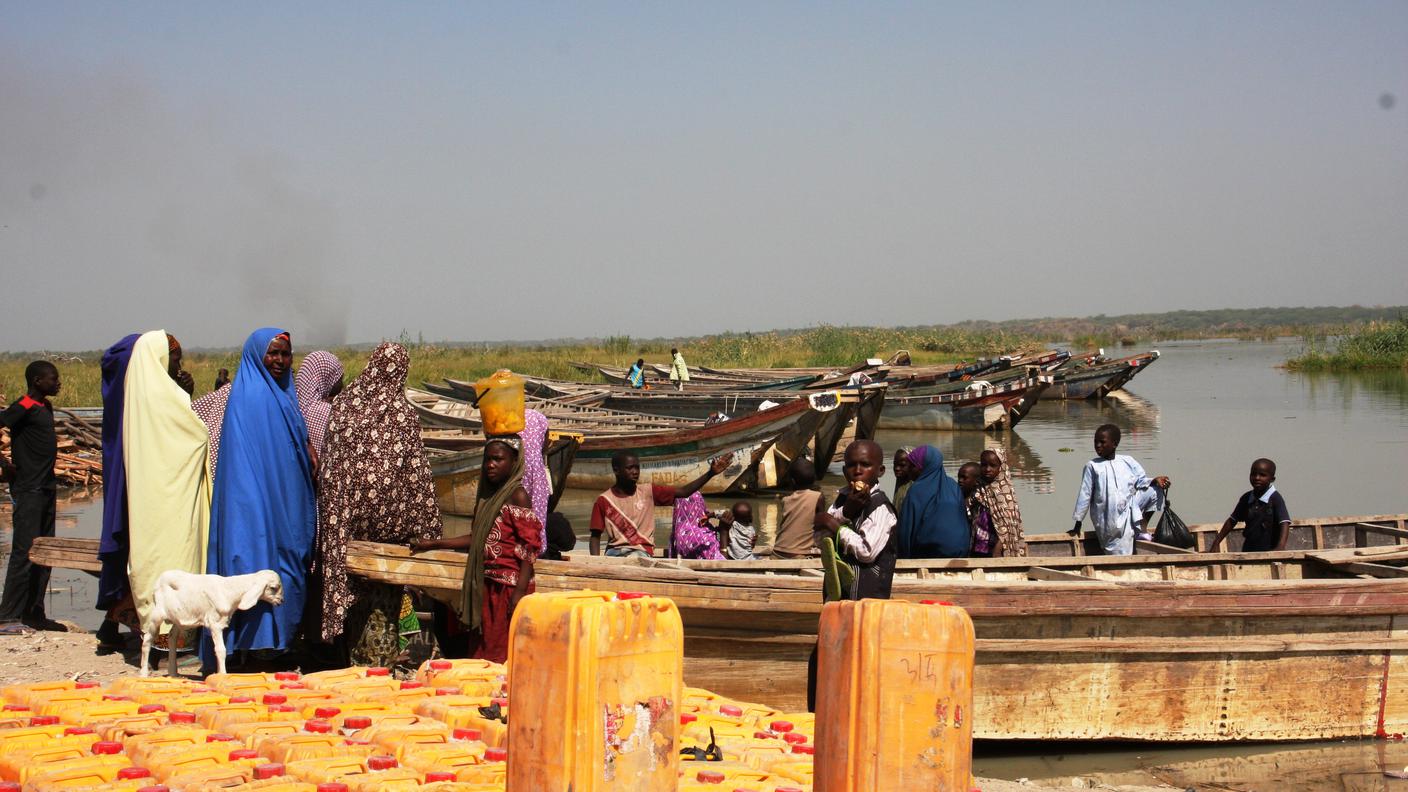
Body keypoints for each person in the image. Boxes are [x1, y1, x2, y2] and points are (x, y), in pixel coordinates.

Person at [313, 343, 442, 666]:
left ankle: (355, 663)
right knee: (383, 604)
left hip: (344, 528)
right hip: (388, 537)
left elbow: (331, 469)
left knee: (354, 602)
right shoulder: (402, 414)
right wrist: (429, 532)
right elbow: (417, 477)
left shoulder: (344, 405)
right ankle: (375, 669)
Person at [201, 329, 317, 670]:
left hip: (286, 503)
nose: (280, 361)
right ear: (256, 356)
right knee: (253, 567)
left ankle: (279, 643)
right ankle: (253, 648)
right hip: (254, 508)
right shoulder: (249, 397)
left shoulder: (285, 396)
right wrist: (258, 513)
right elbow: (242, 467)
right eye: (273, 354)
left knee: (290, 566)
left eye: (286, 354)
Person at [117, 331, 214, 651]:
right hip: (172, 501)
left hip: (151, 501)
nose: (180, 365)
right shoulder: (164, 397)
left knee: (153, 560)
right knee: (176, 560)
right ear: (159, 359)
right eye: (175, 359)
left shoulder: (139, 393)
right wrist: (184, 396)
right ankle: (174, 645)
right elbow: (195, 437)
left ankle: (158, 638)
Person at [412, 439, 542, 663]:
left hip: (508, 589)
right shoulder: (486, 498)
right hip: (487, 585)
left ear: (514, 462)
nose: (490, 465)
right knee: (484, 650)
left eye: (498, 459)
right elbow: (477, 540)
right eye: (487, 459)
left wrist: (519, 592)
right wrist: (433, 544)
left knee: (504, 652)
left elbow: (529, 548)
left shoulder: (518, 496)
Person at [809, 440, 897, 711]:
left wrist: (835, 523)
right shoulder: (842, 499)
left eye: (865, 465)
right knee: (825, 663)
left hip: (866, 603)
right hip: (838, 602)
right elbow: (819, 537)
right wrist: (844, 514)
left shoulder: (880, 508)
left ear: (879, 471)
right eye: (851, 465)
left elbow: (866, 551)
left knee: (859, 664)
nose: (857, 471)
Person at [0, 361, 63, 633]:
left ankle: (34, 613)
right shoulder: (22, 406)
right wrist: (4, 465)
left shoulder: (45, 407)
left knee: (45, 552)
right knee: (25, 552)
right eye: (53, 379)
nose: (58, 383)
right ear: (37, 381)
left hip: (47, 488)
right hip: (28, 489)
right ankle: (7, 617)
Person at [590, 451, 732, 557]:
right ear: (616, 470)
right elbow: (595, 537)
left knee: (636, 559)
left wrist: (711, 473)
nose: (635, 472)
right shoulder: (604, 500)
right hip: (614, 553)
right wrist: (596, 564)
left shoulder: (648, 491)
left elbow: (683, 492)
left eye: (637, 468)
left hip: (641, 552)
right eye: (630, 468)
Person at [95, 334, 140, 647]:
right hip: (135, 491)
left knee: (125, 553)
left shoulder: (119, 396)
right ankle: (153, 638)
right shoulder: (136, 402)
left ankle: (110, 626)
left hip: (123, 488)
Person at [1069, 424, 1171, 555]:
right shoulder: (1092, 466)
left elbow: (1141, 481)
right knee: (1120, 553)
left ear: (1114, 444)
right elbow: (1085, 494)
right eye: (1096, 442)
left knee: (1155, 490)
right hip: (1108, 518)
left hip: (1129, 510)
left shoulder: (1127, 461)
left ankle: (1141, 529)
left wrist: (1155, 480)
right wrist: (1078, 523)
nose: (1098, 445)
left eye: (1102, 442)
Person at [896, 446, 970, 559]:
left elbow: (906, 530)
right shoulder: (953, 486)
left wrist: (902, 557)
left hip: (926, 554)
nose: (909, 470)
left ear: (924, 467)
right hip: (960, 552)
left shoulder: (916, 490)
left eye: (912, 466)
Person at [1210, 458, 1291, 553]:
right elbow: (1232, 520)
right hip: (1249, 548)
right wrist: (1216, 543)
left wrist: (1280, 547)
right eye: (1253, 474)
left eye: (1262, 475)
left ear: (1272, 479)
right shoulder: (1247, 498)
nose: (1257, 478)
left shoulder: (1275, 498)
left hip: (1269, 549)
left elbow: (1284, 522)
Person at [975, 448, 1028, 557]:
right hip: (981, 542)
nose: (987, 469)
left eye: (992, 465)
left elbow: (1007, 525)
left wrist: (998, 549)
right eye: (984, 465)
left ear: (1001, 467)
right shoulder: (979, 487)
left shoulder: (1004, 490)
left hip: (1000, 546)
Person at [294, 350, 343, 457]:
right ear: (327, 378)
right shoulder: (326, 412)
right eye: (339, 378)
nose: (341, 384)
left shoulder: (290, 408)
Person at [774, 458, 824, 559]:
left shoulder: (785, 500)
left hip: (777, 551)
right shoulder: (818, 497)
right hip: (799, 555)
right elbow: (821, 524)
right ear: (814, 479)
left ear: (792, 481)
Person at [670, 491, 725, 560]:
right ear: (700, 504)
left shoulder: (678, 533)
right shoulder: (703, 536)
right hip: (709, 568)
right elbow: (721, 561)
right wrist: (724, 532)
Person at [957, 462, 995, 557]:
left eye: (964, 478)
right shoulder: (958, 498)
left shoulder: (982, 504)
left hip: (982, 551)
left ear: (977, 481)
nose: (960, 481)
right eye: (959, 477)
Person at [891, 446, 916, 515]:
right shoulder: (900, 484)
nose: (897, 468)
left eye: (902, 465)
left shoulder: (914, 490)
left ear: (912, 465)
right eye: (895, 464)